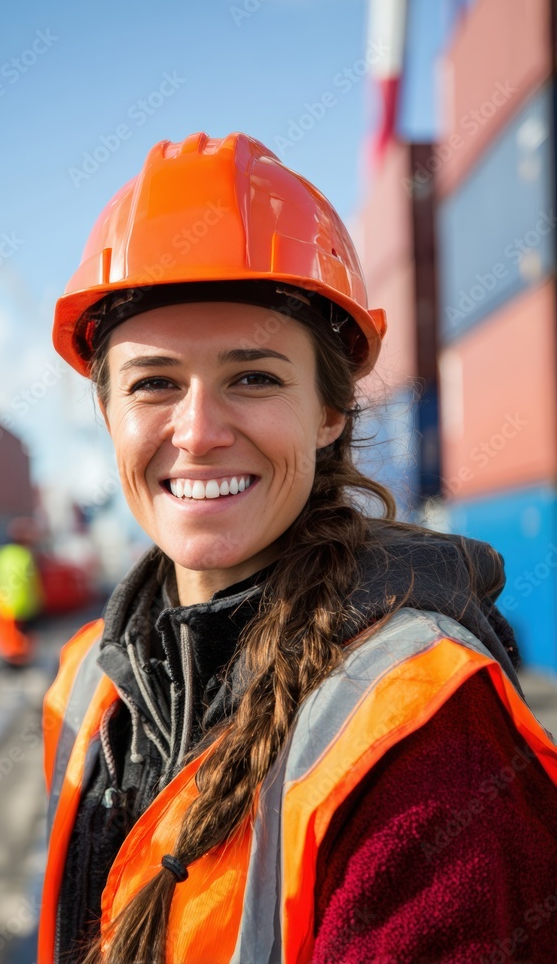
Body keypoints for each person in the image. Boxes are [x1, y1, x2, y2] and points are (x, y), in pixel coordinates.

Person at [38, 132, 557, 964]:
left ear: (329, 413)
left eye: (253, 377)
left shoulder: (425, 734)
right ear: (106, 415)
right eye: (154, 382)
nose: (199, 433)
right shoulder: (86, 687)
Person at [0, 517, 44, 667]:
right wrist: (41, 604)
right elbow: (34, 584)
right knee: (22, 647)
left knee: (7, 645)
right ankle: (20, 674)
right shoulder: (25, 555)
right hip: (23, 609)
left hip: (3, 608)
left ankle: (11, 675)